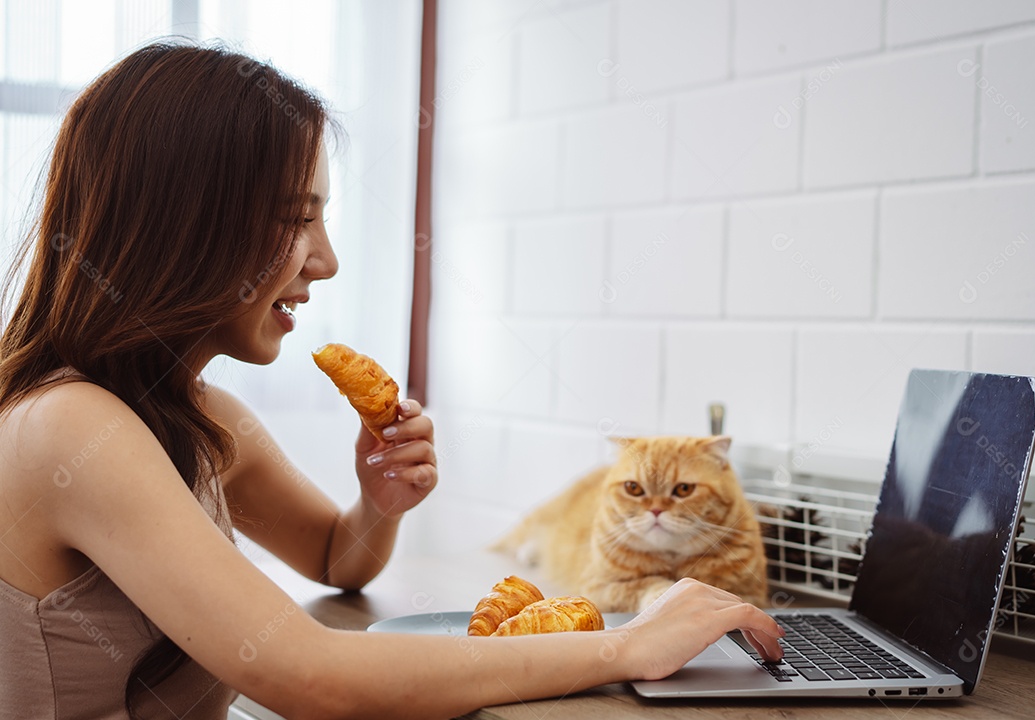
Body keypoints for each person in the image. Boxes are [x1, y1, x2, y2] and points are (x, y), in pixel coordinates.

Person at [0, 42, 782, 719]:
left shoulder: (201, 418)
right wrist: (631, 645)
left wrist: (375, 504)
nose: (326, 260)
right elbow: (311, 677)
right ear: (184, 222)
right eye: (295, 218)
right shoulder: (69, 427)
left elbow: (336, 560)